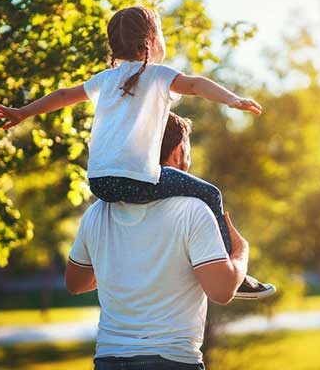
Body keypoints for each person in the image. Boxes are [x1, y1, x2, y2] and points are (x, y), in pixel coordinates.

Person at [0, 5, 273, 298]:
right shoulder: (158, 75)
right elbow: (196, 85)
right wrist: (233, 99)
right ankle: (231, 272)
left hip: (99, 183)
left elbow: (62, 95)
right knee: (210, 194)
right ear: (151, 42)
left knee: (161, 185)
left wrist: (22, 112)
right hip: (137, 179)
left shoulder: (105, 79)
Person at [65, 112, 266, 369]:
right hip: (170, 360)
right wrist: (240, 253)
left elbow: (75, 283)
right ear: (178, 150)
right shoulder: (193, 209)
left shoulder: (98, 211)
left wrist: (123, 267)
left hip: (109, 359)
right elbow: (222, 290)